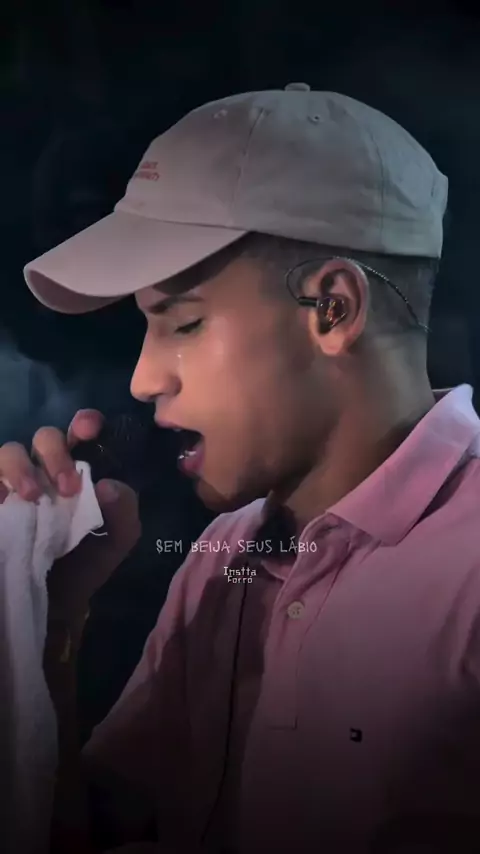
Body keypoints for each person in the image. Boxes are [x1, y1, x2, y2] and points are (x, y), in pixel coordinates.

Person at [3, 83, 480, 853]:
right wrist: (44, 620)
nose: (142, 379)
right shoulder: (220, 556)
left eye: (184, 323)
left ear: (332, 307)